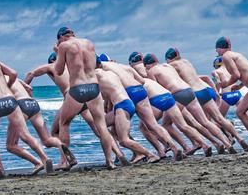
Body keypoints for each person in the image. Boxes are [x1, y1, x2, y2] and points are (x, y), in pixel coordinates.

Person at [0, 52, 53, 175]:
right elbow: (13, 73)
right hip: (10, 100)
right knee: (25, 135)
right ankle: (45, 158)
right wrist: (8, 86)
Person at [54, 27, 129, 169]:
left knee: (63, 124)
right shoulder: (89, 43)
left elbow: (58, 71)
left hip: (77, 88)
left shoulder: (64, 46)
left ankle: (64, 161)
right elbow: (94, 64)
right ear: (73, 34)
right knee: (101, 125)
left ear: (61, 38)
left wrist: (58, 52)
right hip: (94, 88)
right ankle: (110, 161)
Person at [0, 57, 76, 171]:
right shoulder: (15, 79)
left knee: (11, 145)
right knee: (47, 140)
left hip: (20, 106)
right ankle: (61, 146)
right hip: (32, 103)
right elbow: (29, 88)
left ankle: (40, 162)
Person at [98, 55, 183, 161]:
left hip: (127, 93)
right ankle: (174, 148)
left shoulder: (101, 70)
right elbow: (142, 81)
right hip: (140, 90)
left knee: (109, 127)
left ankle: (138, 153)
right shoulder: (123, 66)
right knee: (153, 125)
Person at [143, 53, 230, 154]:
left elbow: (158, 90)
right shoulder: (168, 66)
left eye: (146, 66)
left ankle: (203, 144)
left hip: (176, 95)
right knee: (204, 122)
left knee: (171, 124)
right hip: (189, 90)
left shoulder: (151, 71)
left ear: (147, 65)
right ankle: (225, 143)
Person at [165, 48, 248, 151]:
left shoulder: (172, 66)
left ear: (169, 59)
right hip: (204, 90)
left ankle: (224, 144)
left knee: (202, 122)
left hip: (193, 93)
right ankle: (240, 139)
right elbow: (202, 77)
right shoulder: (186, 62)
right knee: (219, 118)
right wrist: (216, 93)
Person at [24, 52, 98, 139]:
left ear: (52, 61)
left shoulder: (52, 66)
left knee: (55, 131)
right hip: (83, 94)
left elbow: (30, 74)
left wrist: (23, 89)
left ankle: (65, 152)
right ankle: (115, 146)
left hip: (71, 96)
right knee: (97, 129)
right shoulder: (72, 67)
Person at [95, 66, 161, 163]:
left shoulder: (96, 75)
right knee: (101, 126)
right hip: (124, 103)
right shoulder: (111, 74)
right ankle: (134, 153)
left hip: (122, 106)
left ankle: (149, 154)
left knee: (124, 140)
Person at [142, 78, 213, 157]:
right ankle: (207, 144)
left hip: (160, 98)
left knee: (146, 126)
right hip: (172, 96)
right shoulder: (152, 76)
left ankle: (168, 149)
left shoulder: (146, 76)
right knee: (186, 125)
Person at [212, 56, 248, 147]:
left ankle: (230, 137)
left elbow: (217, 83)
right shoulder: (230, 70)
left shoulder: (216, 72)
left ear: (216, 65)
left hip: (225, 96)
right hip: (237, 94)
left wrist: (217, 93)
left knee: (218, 120)